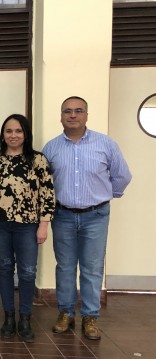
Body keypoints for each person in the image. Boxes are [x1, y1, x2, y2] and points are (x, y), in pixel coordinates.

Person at [42, 96, 132, 340]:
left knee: (92, 269)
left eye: (78, 110)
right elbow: (43, 184)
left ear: (86, 115)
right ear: (61, 116)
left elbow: (122, 175)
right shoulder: (51, 148)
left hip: (96, 216)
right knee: (66, 267)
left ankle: (90, 317)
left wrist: (104, 196)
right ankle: (66, 314)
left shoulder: (105, 144)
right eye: (68, 111)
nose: (73, 115)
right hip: (63, 216)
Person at [0, 114, 55, 342]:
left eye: (18, 131)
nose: (13, 135)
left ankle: (26, 318)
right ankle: (9, 317)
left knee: (28, 272)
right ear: (3, 134)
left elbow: (47, 194)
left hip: (28, 226)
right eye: (8, 131)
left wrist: (43, 225)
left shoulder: (38, 160)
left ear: (26, 134)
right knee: (4, 269)